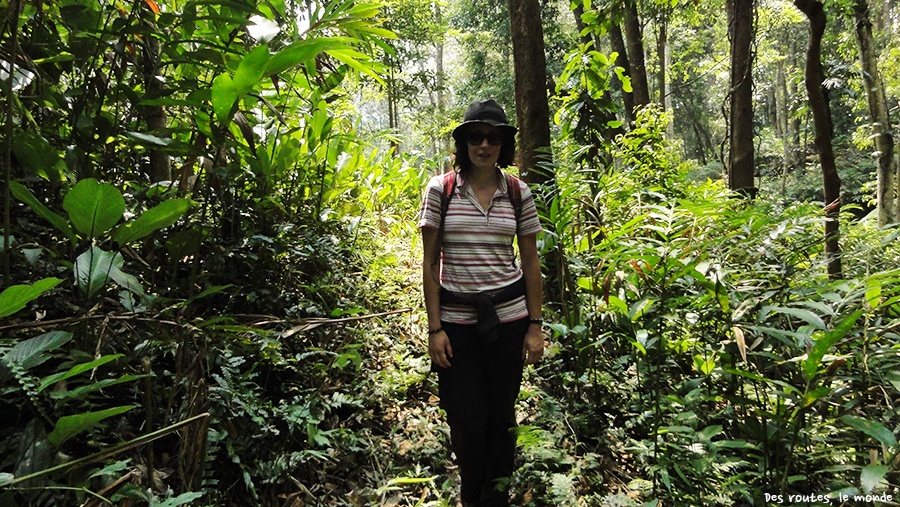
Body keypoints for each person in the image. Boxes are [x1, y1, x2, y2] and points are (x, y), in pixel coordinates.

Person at [418, 99, 544, 507]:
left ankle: (496, 498)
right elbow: (430, 260)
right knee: (466, 418)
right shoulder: (442, 190)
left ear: (503, 144)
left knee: (502, 416)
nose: (484, 145)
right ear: (464, 143)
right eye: (476, 137)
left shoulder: (517, 192)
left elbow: (529, 261)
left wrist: (535, 325)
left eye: (492, 138)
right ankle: (472, 495)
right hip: (456, 324)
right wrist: (435, 329)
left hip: (508, 319)